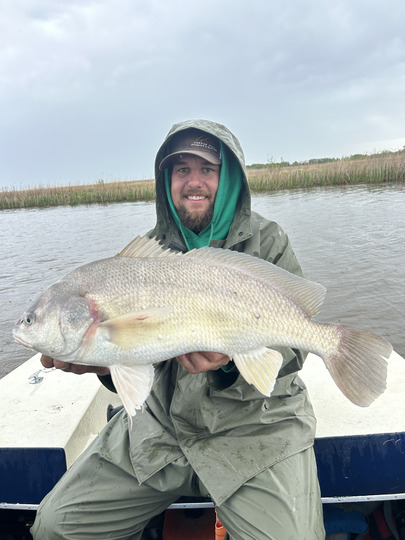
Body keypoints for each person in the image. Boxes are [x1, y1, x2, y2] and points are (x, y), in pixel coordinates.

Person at [31, 119, 325, 539]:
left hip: (254, 426)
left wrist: (227, 364)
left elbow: (294, 347)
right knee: (57, 527)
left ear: (229, 179)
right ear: (166, 180)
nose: (194, 181)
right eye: (181, 169)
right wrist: (105, 366)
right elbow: (141, 362)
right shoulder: (145, 257)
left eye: (207, 168)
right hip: (161, 429)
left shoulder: (269, 241)